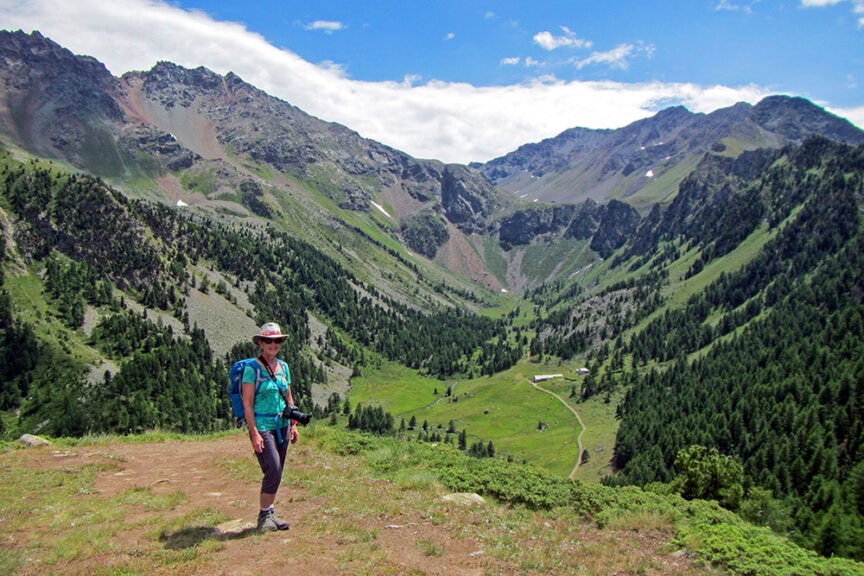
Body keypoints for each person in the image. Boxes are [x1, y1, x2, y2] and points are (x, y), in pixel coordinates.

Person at [242, 322, 300, 532]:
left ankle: (270, 512)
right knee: (273, 468)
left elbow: (288, 396)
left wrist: (293, 424)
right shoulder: (252, 369)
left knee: (278, 470)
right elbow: (247, 404)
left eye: (277, 341)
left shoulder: (284, 367)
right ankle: (264, 515)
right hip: (263, 426)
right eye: (268, 341)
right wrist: (254, 433)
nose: (273, 344)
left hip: (283, 425)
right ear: (260, 343)